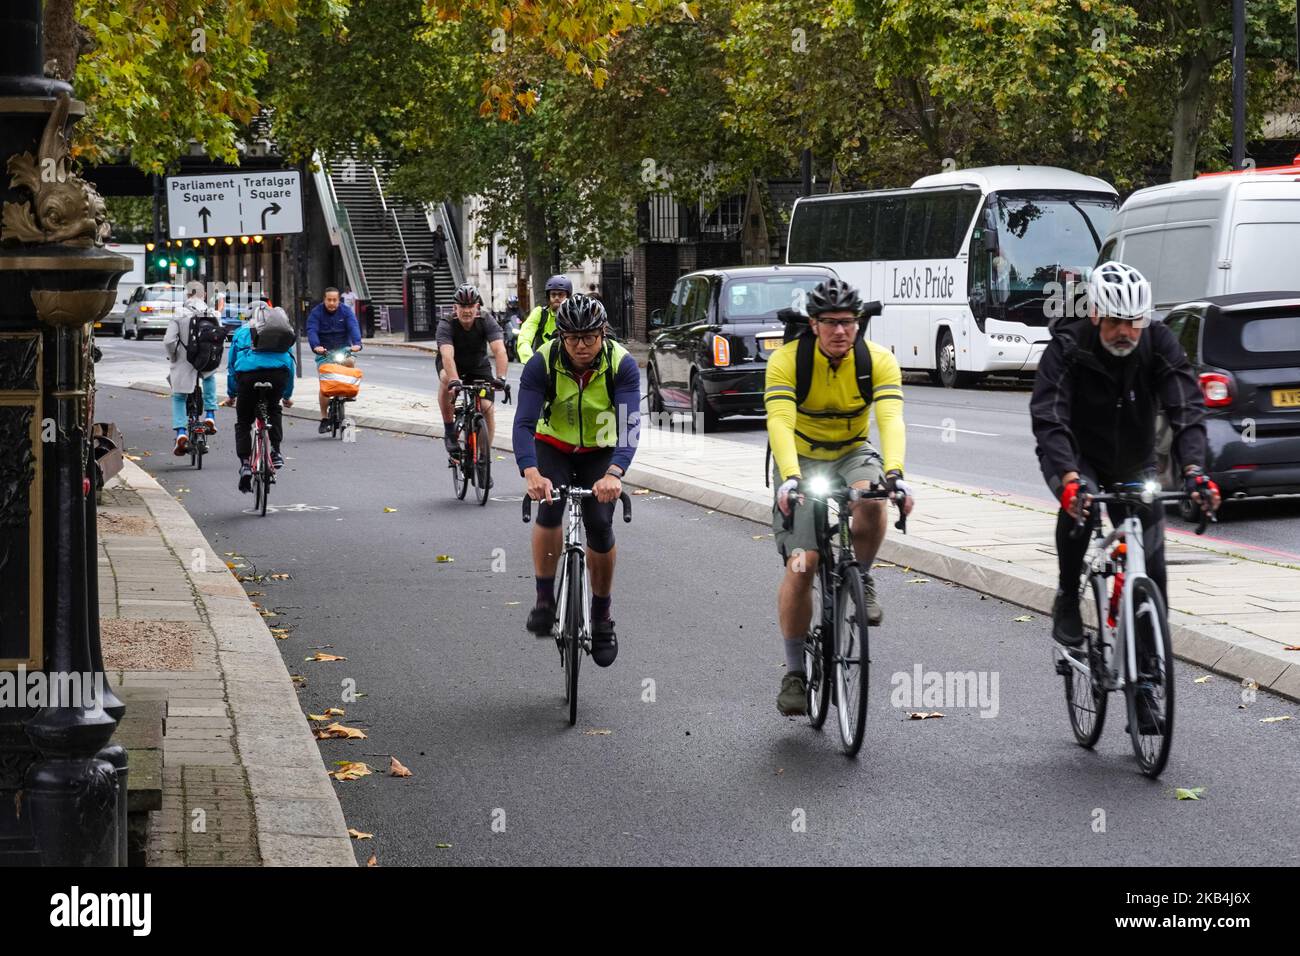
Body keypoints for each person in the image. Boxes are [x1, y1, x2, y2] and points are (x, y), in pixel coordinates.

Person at [1030, 262, 1220, 680]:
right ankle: (1066, 595)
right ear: (1096, 312)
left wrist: (1194, 470)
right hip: (1076, 456)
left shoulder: (1159, 343)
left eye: (1134, 321)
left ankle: (1151, 675)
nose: (1125, 332)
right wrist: (1068, 478)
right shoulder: (1068, 346)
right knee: (1078, 511)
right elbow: (1050, 417)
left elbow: (1186, 409)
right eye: (1116, 320)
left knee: (1152, 564)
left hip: (1134, 460)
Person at [765, 277, 913, 716]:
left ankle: (860, 575)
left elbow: (890, 418)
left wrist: (896, 475)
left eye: (848, 322)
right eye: (829, 322)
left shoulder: (878, 361)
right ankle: (794, 672)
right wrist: (790, 478)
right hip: (801, 459)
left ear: (858, 322)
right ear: (813, 324)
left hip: (852, 452)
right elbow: (779, 420)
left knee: (873, 499)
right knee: (802, 563)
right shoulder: (787, 361)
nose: (840, 331)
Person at [513, 294, 641, 667]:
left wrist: (615, 474)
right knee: (549, 509)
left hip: (600, 450)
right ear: (560, 336)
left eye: (589, 337)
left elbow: (630, 426)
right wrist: (530, 470)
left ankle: (601, 619)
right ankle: (544, 599)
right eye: (572, 338)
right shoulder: (543, 362)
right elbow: (523, 423)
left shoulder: (622, 364)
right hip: (552, 443)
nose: (581, 346)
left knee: (600, 526)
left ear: (603, 334)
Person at [222, 303, 296, 492]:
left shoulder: (241, 333)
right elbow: (290, 366)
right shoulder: (281, 333)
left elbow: (231, 368)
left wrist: (231, 395)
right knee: (274, 409)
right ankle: (276, 452)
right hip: (278, 376)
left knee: (244, 422)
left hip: (248, 377)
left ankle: (246, 464)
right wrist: (287, 396)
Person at [438, 283, 509, 459]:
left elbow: (499, 350)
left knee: (487, 408)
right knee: (447, 379)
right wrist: (455, 380)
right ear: (455, 307)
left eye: (471, 306)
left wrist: (501, 378)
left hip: (478, 365)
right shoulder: (447, 323)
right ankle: (449, 431)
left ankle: (484, 458)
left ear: (477, 306)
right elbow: (447, 356)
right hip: (452, 363)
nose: (467, 311)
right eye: (463, 306)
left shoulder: (486, 320)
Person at [163, 299, 220, 456]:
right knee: (209, 377)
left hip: (184, 362)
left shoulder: (179, 315)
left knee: (179, 396)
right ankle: (210, 415)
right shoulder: (211, 314)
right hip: (206, 360)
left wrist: (173, 356)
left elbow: (169, 341)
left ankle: (181, 434)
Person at [306, 287, 362, 433]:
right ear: (324, 300)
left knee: (350, 362)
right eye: (329, 300)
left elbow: (353, 327)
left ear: (339, 300)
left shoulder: (346, 311)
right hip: (324, 351)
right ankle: (324, 418)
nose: (332, 303)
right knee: (325, 385)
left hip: (342, 348)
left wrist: (357, 343)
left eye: (334, 300)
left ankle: (346, 391)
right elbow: (311, 330)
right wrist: (316, 346)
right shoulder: (316, 313)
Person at [516, 274, 572, 364]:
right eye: (553, 295)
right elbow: (524, 337)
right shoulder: (540, 313)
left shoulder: (574, 315)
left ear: (568, 297)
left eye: (561, 295)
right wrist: (529, 360)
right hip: (543, 363)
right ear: (548, 297)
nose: (557, 298)